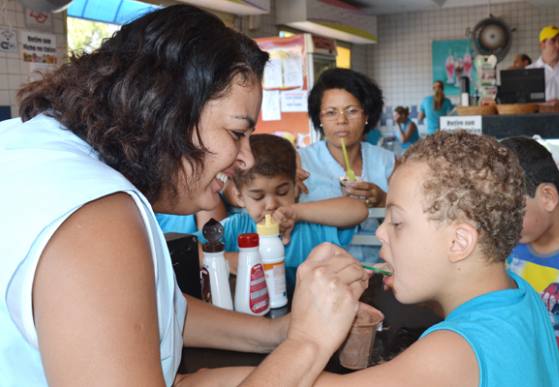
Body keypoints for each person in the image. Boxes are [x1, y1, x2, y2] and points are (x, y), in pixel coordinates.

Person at [0, 5, 370, 387]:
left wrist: (278, 332)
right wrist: (307, 343)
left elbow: (148, 313)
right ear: (169, 113)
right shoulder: (95, 215)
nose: (245, 159)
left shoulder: (30, 147)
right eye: (236, 133)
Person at [193, 130, 559, 386]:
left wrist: (305, 338)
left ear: (459, 242)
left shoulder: (451, 353)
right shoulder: (521, 293)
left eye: (397, 222)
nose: (382, 233)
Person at [195, 133, 368, 294]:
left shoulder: (310, 227)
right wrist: (225, 259)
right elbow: (189, 250)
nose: (271, 205)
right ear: (240, 197)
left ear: (296, 188)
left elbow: (359, 210)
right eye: (258, 196)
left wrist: (296, 211)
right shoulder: (235, 228)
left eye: (282, 192)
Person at [501, 136, 559, 387]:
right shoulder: (509, 245)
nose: (502, 223)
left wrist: (529, 357)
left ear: (547, 196)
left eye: (510, 211)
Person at [299, 67, 396, 263]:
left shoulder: (387, 162)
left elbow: (412, 218)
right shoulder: (301, 163)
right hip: (321, 270)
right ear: (320, 119)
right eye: (331, 112)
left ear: (366, 116)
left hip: (380, 268)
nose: (341, 121)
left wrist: (382, 200)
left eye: (352, 111)